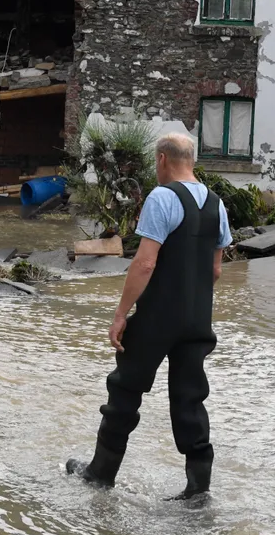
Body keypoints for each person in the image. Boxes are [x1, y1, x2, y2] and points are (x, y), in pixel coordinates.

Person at [66, 132, 232, 500]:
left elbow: (144, 263)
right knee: (190, 397)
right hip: (197, 320)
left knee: (125, 389)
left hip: (158, 317)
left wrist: (121, 314)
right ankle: (198, 490)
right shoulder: (217, 204)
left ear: (161, 159)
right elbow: (216, 270)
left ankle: (100, 474)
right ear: (192, 160)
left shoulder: (162, 197)